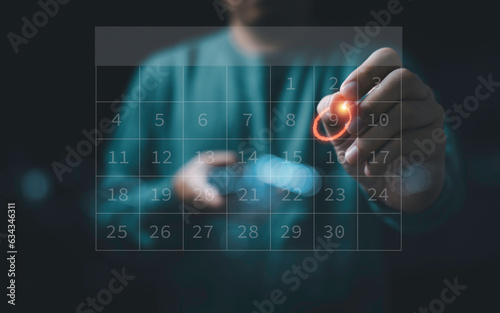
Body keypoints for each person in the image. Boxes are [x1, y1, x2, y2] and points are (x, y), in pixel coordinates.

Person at [98, 1, 464, 311]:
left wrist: (416, 188)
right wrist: (174, 197)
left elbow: (445, 204)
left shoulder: (376, 74)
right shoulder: (165, 75)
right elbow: (108, 216)